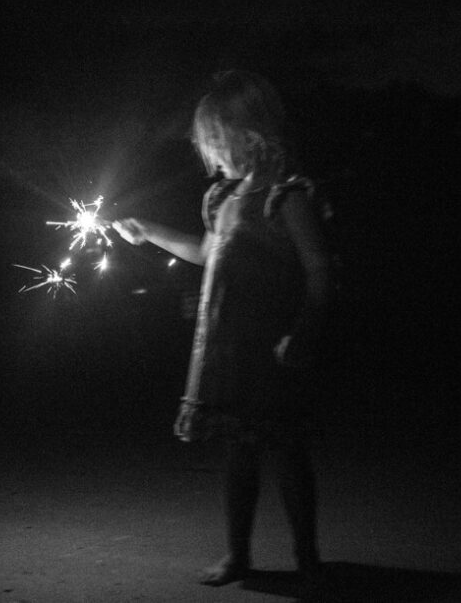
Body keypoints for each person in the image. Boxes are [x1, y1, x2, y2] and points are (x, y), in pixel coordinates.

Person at [113, 70, 332, 595]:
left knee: (288, 454)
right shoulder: (222, 201)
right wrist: (150, 233)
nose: (210, 153)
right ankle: (238, 555)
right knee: (238, 456)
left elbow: (322, 273)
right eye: (207, 143)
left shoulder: (287, 199)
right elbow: (208, 254)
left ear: (247, 135)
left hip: (274, 351)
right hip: (229, 351)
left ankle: (309, 559)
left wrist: (304, 331)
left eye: (215, 140)